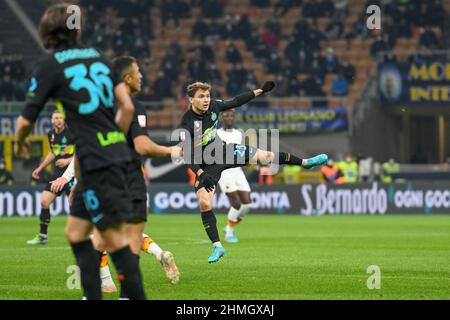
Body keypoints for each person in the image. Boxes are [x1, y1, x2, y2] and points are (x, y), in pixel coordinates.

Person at [14, 3, 145, 300]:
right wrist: (111, 138)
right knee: (75, 233)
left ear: (49, 30)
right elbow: (126, 106)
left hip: (97, 162)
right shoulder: (100, 58)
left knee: (112, 238)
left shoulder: (51, 64)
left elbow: (24, 120)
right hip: (104, 158)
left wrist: (21, 141)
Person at [50, 56, 181, 293]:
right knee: (123, 240)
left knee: (100, 238)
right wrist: (172, 150)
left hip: (102, 180)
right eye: (138, 72)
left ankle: (102, 287)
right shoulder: (132, 106)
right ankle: (125, 283)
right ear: (127, 78)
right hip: (129, 180)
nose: (142, 76)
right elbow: (142, 147)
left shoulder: (94, 106)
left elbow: (83, 148)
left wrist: (77, 183)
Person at [177, 81, 328, 263]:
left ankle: (305, 163)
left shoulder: (215, 106)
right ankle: (217, 246)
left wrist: (261, 91)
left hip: (224, 151)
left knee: (265, 156)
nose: (206, 100)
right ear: (191, 99)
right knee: (204, 202)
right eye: (201, 96)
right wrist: (201, 173)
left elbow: (236, 101)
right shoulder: (186, 124)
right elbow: (186, 155)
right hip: (206, 166)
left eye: (207, 96)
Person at [27, 110, 75, 245]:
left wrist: (67, 161)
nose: (58, 120)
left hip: (72, 173)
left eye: (60, 118)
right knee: (44, 202)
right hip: (57, 174)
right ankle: (43, 236)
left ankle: (82, 236)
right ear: (52, 120)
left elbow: (81, 150)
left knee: (75, 205)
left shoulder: (72, 133)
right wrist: (40, 167)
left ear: (63, 120)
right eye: (56, 118)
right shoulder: (51, 135)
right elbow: (54, 153)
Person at [216, 109, 252, 243]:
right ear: (222, 118)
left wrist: (247, 160)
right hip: (224, 171)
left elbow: (241, 151)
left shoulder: (238, 134)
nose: (229, 118)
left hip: (237, 170)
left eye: (231, 116)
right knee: (236, 203)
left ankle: (229, 226)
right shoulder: (216, 134)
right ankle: (229, 233)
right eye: (226, 116)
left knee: (247, 205)